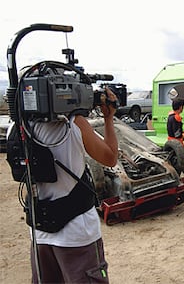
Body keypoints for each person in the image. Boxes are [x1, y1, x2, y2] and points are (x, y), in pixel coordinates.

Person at [28, 88, 119, 283]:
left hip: (39, 232)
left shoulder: (21, 125)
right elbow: (110, 158)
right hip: (77, 232)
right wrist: (109, 119)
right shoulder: (74, 123)